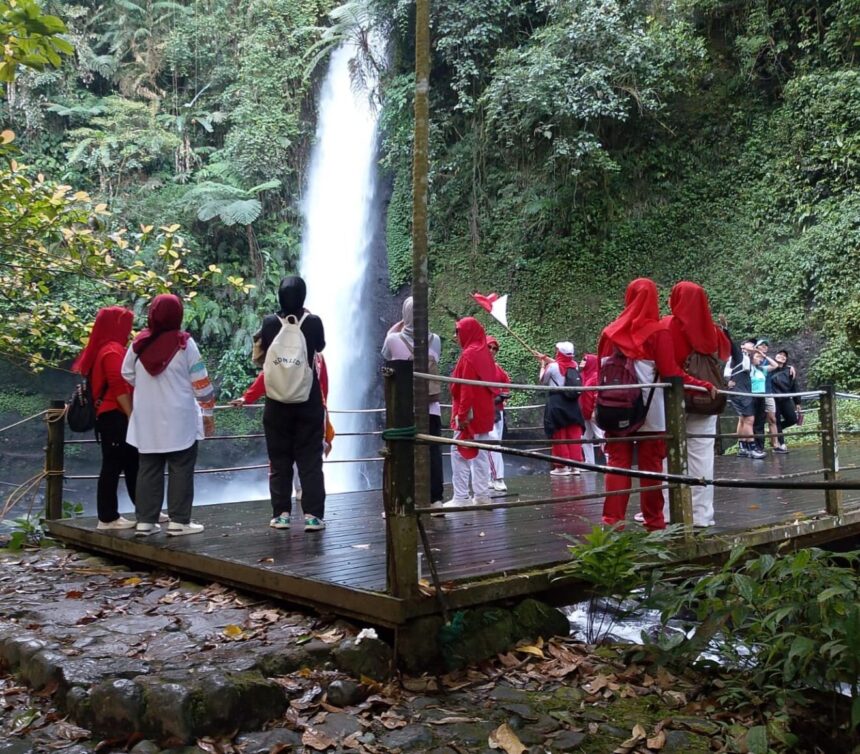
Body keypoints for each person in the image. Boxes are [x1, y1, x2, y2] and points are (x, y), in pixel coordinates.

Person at [598, 278, 715, 531]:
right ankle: (654, 521)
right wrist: (701, 383)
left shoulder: (609, 332)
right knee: (651, 467)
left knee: (618, 463)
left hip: (615, 409)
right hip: (651, 413)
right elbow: (671, 372)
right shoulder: (657, 332)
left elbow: (600, 370)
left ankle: (612, 522)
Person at [122, 294, 214, 537]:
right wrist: (208, 411)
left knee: (148, 468)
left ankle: (145, 521)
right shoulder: (185, 344)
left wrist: (146, 386)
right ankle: (179, 521)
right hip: (179, 417)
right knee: (181, 467)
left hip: (147, 417)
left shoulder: (137, 344)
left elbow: (126, 373)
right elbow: (201, 384)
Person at [257, 276, 327, 531]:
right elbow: (319, 346)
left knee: (279, 459)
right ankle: (313, 516)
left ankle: (281, 514)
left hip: (276, 402)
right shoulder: (314, 323)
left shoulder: (268, 323)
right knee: (310, 459)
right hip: (307, 400)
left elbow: (262, 353)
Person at [661, 282, 731, 527]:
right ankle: (701, 515)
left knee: (669, 455)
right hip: (706, 398)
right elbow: (724, 355)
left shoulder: (668, 325)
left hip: (673, 399)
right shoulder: (713, 330)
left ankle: (670, 512)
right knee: (702, 456)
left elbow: (662, 362)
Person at [232, 352, 334, 503]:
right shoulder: (313, 356)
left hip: (294, 411)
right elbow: (323, 386)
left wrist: (247, 397)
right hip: (305, 411)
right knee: (304, 453)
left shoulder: (309, 356)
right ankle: (302, 494)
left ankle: (291, 500)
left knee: (294, 453)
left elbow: (267, 377)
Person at [73, 306, 139, 531]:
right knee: (114, 465)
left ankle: (144, 510)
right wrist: (132, 415)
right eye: (126, 324)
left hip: (112, 416)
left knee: (131, 463)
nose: (129, 329)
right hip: (115, 416)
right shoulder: (112, 350)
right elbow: (118, 385)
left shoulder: (105, 348)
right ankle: (108, 517)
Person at [381, 297, 445, 510]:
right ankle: (436, 500)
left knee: (402, 452)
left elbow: (385, 354)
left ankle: (403, 500)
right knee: (433, 451)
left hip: (404, 409)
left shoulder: (392, 340)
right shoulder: (435, 339)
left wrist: (401, 324)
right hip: (431, 408)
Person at [444, 317, 496, 509]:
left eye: (458, 331)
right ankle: (482, 495)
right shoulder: (484, 353)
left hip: (470, 413)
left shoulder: (469, 355)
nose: (455, 336)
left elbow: (466, 388)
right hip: (484, 411)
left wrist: (462, 414)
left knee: (458, 452)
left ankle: (461, 496)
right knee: (481, 453)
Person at [539, 342, 585, 476]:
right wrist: (545, 358)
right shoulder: (574, 365)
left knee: (559, 434)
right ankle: (576, 466)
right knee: (574, 434)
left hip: (557, 402)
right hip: (572, 403)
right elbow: (562, 365)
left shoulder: (552, 367)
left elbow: (543, 379)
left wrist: (542, 365)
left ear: (559, 353)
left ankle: (562, 466)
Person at [726, 338, 766, 459]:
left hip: (743, 391)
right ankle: (752, 448)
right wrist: (725, 330)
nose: (753, 346)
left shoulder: (747, 357)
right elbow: (731, 345)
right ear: (743, 345)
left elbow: (762, 360)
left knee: (744, 420)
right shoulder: (739, 355)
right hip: (740, 392)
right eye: (751, 344)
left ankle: (743, 447)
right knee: (749, 420)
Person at [486, 336, 511, 491]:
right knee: (493, 442)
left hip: (498, 409)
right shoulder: (478, 366)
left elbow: (506, 381)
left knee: (496, 443)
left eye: (495, 348)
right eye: (489, 347)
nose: (492, 351)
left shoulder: (496, 367)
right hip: (485, 410)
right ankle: (497, 478)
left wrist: (505, 395)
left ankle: (491, 477)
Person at [771, 349, 802, 452]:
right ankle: (781, 443)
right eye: (780, 354)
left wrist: (797, 402)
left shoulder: (789, 370)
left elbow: (794, 386)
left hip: (785, 398)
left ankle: (774, 431)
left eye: (784, 356)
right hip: (773, 399)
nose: (782, 356)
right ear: (775, 356)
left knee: (793, 419)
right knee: (776, 422)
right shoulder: (769, 368)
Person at [752, 338, 779, 453]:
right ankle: (752, 445)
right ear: (756, 348)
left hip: (767, 392)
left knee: (772, 418)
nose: (764, 347)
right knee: (755, 420)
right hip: (754, 394)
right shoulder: (751, 362)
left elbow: (777, 365)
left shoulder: (766, 362)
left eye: (766, 346)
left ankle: (775, 444)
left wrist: (764, 356)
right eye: (762, 345)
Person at [578, 353, 605, 467]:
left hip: (593, 413)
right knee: (585, 438)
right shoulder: (582, 375)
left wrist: (595, 410)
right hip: (584, 412)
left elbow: (597, 395)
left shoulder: (595, 376)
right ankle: (589, 463)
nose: (582, 361)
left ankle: (610, 460)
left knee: (600, 436)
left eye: (585, 360)